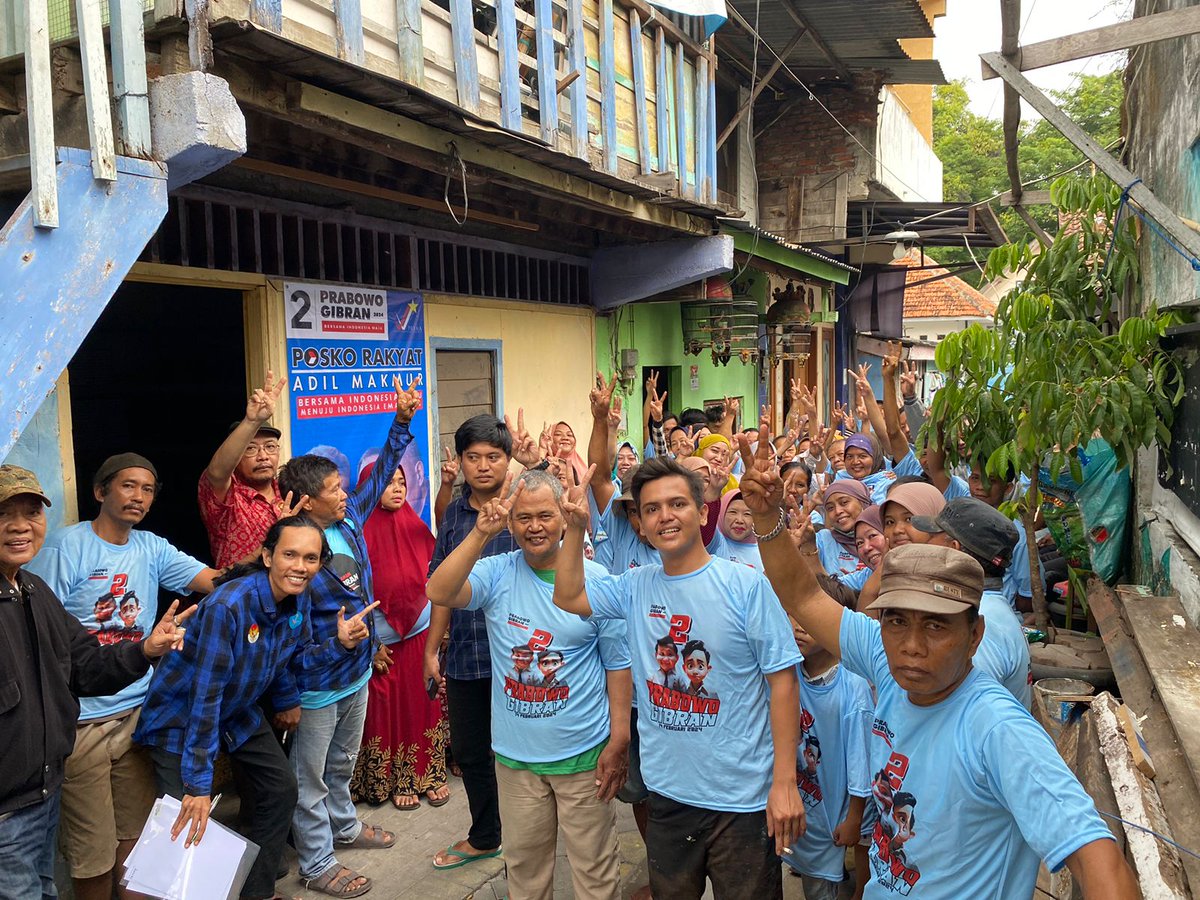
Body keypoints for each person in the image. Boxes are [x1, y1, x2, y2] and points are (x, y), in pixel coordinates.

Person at [736, 429, 1139, 899]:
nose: (911, 645)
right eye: (897, 621)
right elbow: (804, 596)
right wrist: (767, 517)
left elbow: (1098, 858)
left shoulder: (996, 729)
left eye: (936, 627)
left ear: (974, 636)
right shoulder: (885, 661)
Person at [553, 456, 805, 900]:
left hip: (742, 800)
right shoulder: (635, 585)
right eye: (651, 509)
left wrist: (784, 783)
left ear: (703, 511)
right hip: (668, 793)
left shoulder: (745, 585)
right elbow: (569, 594)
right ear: (642, 525)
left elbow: (782, 682)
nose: (664, 516)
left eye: (677, 504)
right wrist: (575, 528)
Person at [135, 517, 377, 900]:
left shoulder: (297, 601)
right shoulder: (229, 605)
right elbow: (204, 694)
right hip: (181, 720)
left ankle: (255, 892)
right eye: (290, 555)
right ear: (268, 556)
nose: (300, 566)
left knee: (280, 789)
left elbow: (293, 663)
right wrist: (199, 784)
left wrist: (340, 644)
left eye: (311, 558)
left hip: (236, 708)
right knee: (184, 822)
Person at [427, 469, 631, 899]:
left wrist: (619, 739)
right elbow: (439, 590)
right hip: (516, 760)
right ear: (510, 521)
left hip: (583, 759)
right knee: (524, 872)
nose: (534, 527)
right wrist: (481, 533)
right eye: (522, 518)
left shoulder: (598, 584)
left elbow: (617, 666)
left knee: (595, 875)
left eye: (544, 515)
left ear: (563, 517)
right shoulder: (496, 571)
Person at [26, 454, 221, 900]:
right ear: (100, 492)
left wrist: (274, 548)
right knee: (91, 851)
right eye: (128, 486)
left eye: (148, 489)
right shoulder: (66, 547)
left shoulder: (151, 548)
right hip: (82, 723)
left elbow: (216, 580)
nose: (139, 497)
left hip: (136, 715)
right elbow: (39, 626)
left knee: (137, 838)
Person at [275, 376, 422, 896]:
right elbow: (284, 636)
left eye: (342, 487)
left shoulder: (350, 516)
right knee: (309, 778)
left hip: (354, 672)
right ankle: (316, 864)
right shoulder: (292, 557)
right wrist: (335, 644)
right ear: (304, 502)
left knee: (341, 763)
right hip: (316, 681)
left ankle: (345, 826)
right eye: (333, 490)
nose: (344, 495)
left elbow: (382, 470)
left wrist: (401, 423)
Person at [423, 415, 518, 870]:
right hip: (467, 652)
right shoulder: (455, 515)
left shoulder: (525, 506)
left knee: (521, 748)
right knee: (470, 750)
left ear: (508, 459)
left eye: (492, 457)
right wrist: (430, 649)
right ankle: (486, 835)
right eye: (473, 457)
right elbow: (441, 584)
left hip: (522, 656)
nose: (482, 466)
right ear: (459, 461)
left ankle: (529, 831)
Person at [349, 463, 450, 811]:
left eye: (401, 482)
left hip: (422, 639)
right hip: (380, 647)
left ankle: (427, 774)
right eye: (387, 482)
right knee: (385, 711)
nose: (396, 489)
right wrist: (371, 645)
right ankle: (388, 780)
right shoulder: (356, 536)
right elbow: (349, 597)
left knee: (421, 704)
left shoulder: (417, 527)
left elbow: (439, 579)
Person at [908, 498, 1033, 708]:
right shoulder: (991, 607)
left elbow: (971, 712)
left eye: (932, 536)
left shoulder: (979, 621)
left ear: (953, 549)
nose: (926, 543)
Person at [784, 617, 873, 900]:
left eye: (808, 619)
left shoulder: (853, 689)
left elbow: (861, 766)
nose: (798, 627)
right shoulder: (788, 672)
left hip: (836, 816)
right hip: (802, 806)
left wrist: (854, 818)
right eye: (793, 617)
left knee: (823, 888)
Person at [199, 371, 289, 568]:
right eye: (250, 448)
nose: (263, 456)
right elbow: (216, 472)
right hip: (243, 596)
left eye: (270, 447)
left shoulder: (288, 490)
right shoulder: (228, 498)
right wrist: (252, 422)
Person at [815, 481, 873, 591]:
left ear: (863, 501)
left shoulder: (882, 535)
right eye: (830, 508)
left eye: (844, 502)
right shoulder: (823, 539)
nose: (838, 511)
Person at [718, 490, 762, 571]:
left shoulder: (764, 552)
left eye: (747, 514)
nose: (739, 520)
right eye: (733, 512)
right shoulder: (715, 544)